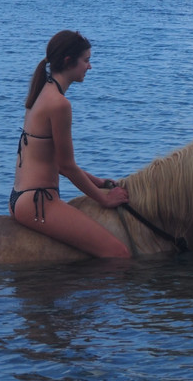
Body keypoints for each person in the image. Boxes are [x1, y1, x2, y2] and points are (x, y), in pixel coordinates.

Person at [9, 30, 131, 258]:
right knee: (119, 254)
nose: (89, 67)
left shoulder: (40, 93)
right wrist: (103, 197)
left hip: (21, 197)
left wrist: (100, 182)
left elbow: (52, 161)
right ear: (68, 61)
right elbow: (66, 166)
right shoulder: (59, 104)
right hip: (39, 201)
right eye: (86, 61)